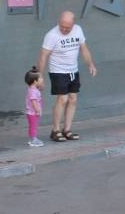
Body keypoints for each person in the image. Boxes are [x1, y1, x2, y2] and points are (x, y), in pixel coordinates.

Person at [38, 11, 97, 142]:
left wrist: (90, 64)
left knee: (73, 98)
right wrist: (40, 76)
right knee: (62, 99)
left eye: (67, 27)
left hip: (73, 70)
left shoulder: (78, 30)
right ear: (59, 22)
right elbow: (43, 56)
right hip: (58, 70)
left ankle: (67, 129)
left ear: (73, 24)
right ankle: (55, 130)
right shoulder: (51, 35)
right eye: (62, 26)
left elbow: (84, 49)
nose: (64, 29)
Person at [24, 67, 44, 147]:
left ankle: (33, 138)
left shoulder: (34, 89)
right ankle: (33, 139)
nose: (42, 79)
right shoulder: (33, 91)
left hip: (32, 113)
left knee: (33, 126)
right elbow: (34, 101)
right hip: (33, 113)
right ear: (35, 81)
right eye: (41, 78)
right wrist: (37, 110)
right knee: (33, 126)